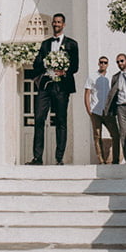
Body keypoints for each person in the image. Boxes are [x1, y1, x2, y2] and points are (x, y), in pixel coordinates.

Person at [28, 13, 79, 166]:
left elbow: (75, 66)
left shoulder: (72, 44)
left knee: (61, 121)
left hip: (62, 87)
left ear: (63, 25)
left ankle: (59, 158)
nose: (56, 24)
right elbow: (36, 63)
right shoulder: (45, 44)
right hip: (45, 85)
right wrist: (45, 64)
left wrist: (64, 71)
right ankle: (37, 158)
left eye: (59, 22)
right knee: (38, 119)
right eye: (54, 22)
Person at [102, 53, 126, 164]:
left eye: (122, 61)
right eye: (118, 62)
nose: (120, 63)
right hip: (121, 107)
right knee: (123, 134)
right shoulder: (115, 77)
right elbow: (113, 94)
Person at [84, 56, 114, 164]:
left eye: (105, 62)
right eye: (101, 62)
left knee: (115, 134)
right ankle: (101, 160)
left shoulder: (110, 77)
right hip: (95, 111)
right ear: (98, 63)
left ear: (107, 64)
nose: (103, 64)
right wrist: (89, 110)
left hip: (107, 111)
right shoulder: (92, 77)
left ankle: (115, 159)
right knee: (97, 136)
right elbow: (87, 93)